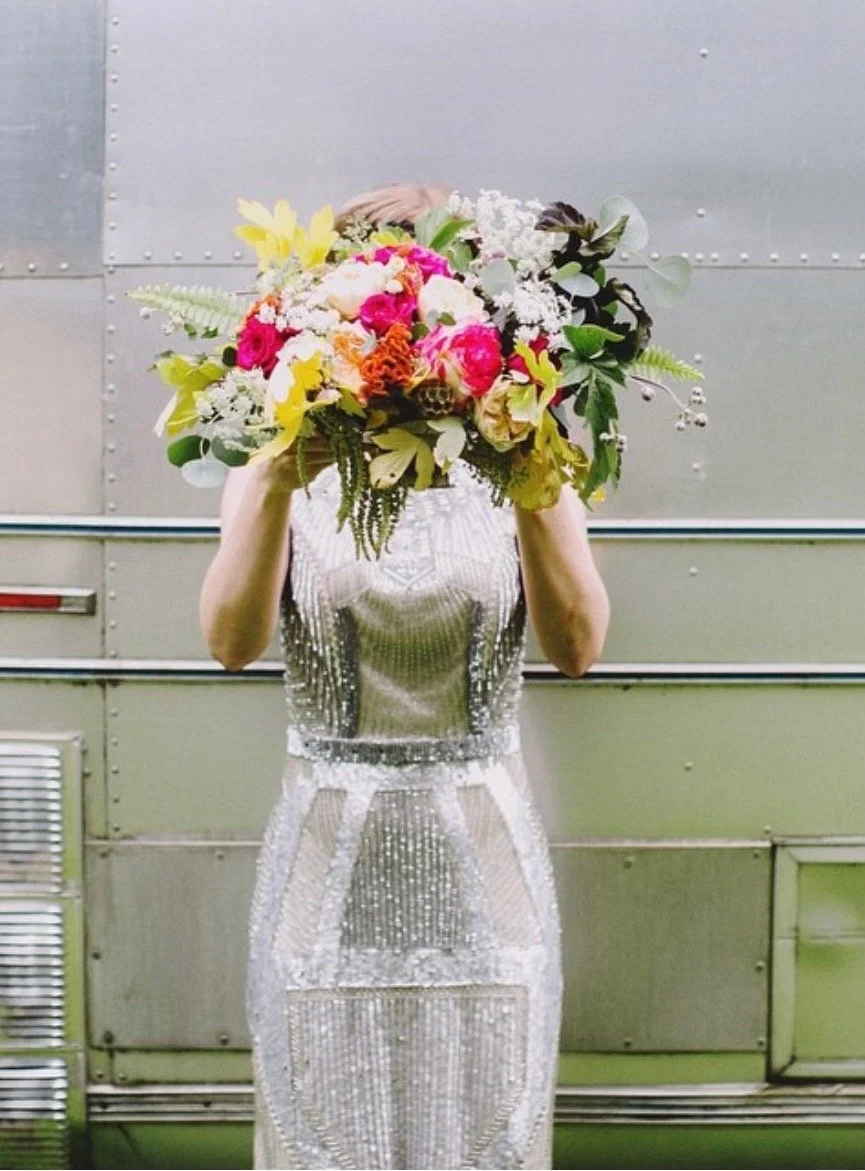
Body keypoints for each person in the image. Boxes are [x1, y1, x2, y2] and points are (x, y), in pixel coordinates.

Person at [199, 181, 610, 1170]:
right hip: (324, 857)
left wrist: (530, 467)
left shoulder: (521, 449)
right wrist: (273, 474)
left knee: (488, 1127)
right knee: (320, 1126)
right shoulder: (280, 458)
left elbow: (578, 646)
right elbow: (228, 640)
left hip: (482, 861)